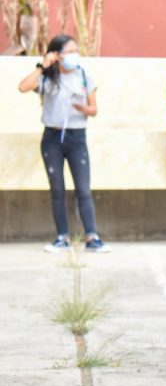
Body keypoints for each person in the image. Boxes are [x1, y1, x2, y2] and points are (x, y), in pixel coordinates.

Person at [18, 35, 108, 253]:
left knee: (83, 189)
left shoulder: (84, 75)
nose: (73, 55)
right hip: (52, 139)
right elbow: (23, 87)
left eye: (75, 51)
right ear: (57, 54)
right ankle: (62, 237)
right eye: (69, 51)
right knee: (57, 189)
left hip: (77, 137)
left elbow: (94, 109)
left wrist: (82, 108)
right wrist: (43, 65)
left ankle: (91, 236)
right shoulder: (49, 77)